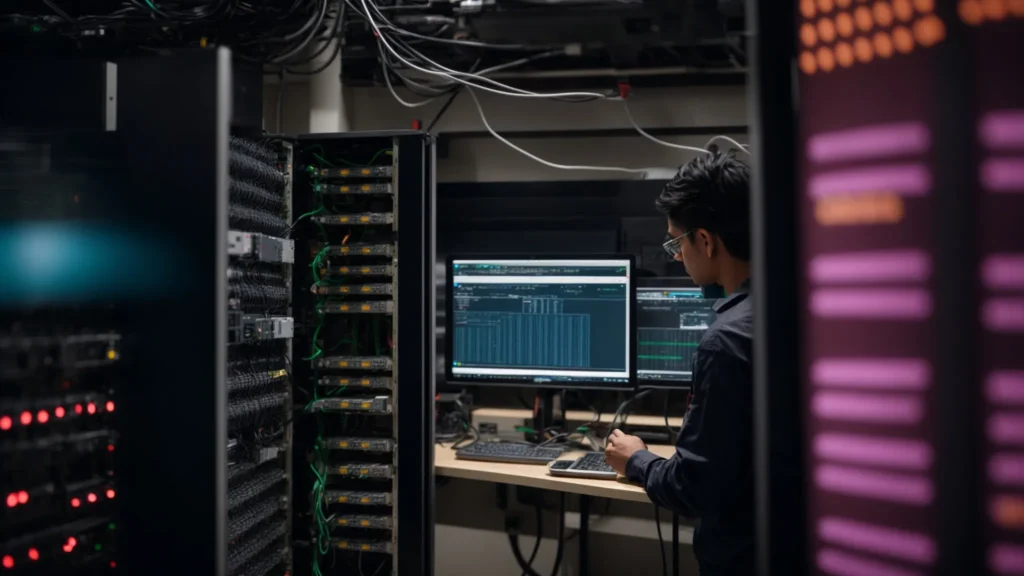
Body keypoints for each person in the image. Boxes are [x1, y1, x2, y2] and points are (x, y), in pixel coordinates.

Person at [605, 146, 754, 576]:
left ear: (704, 241)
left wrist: (637, 459)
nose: (675, 255)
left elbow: (697, 489)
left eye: (676, 241)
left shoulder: (725, 341)